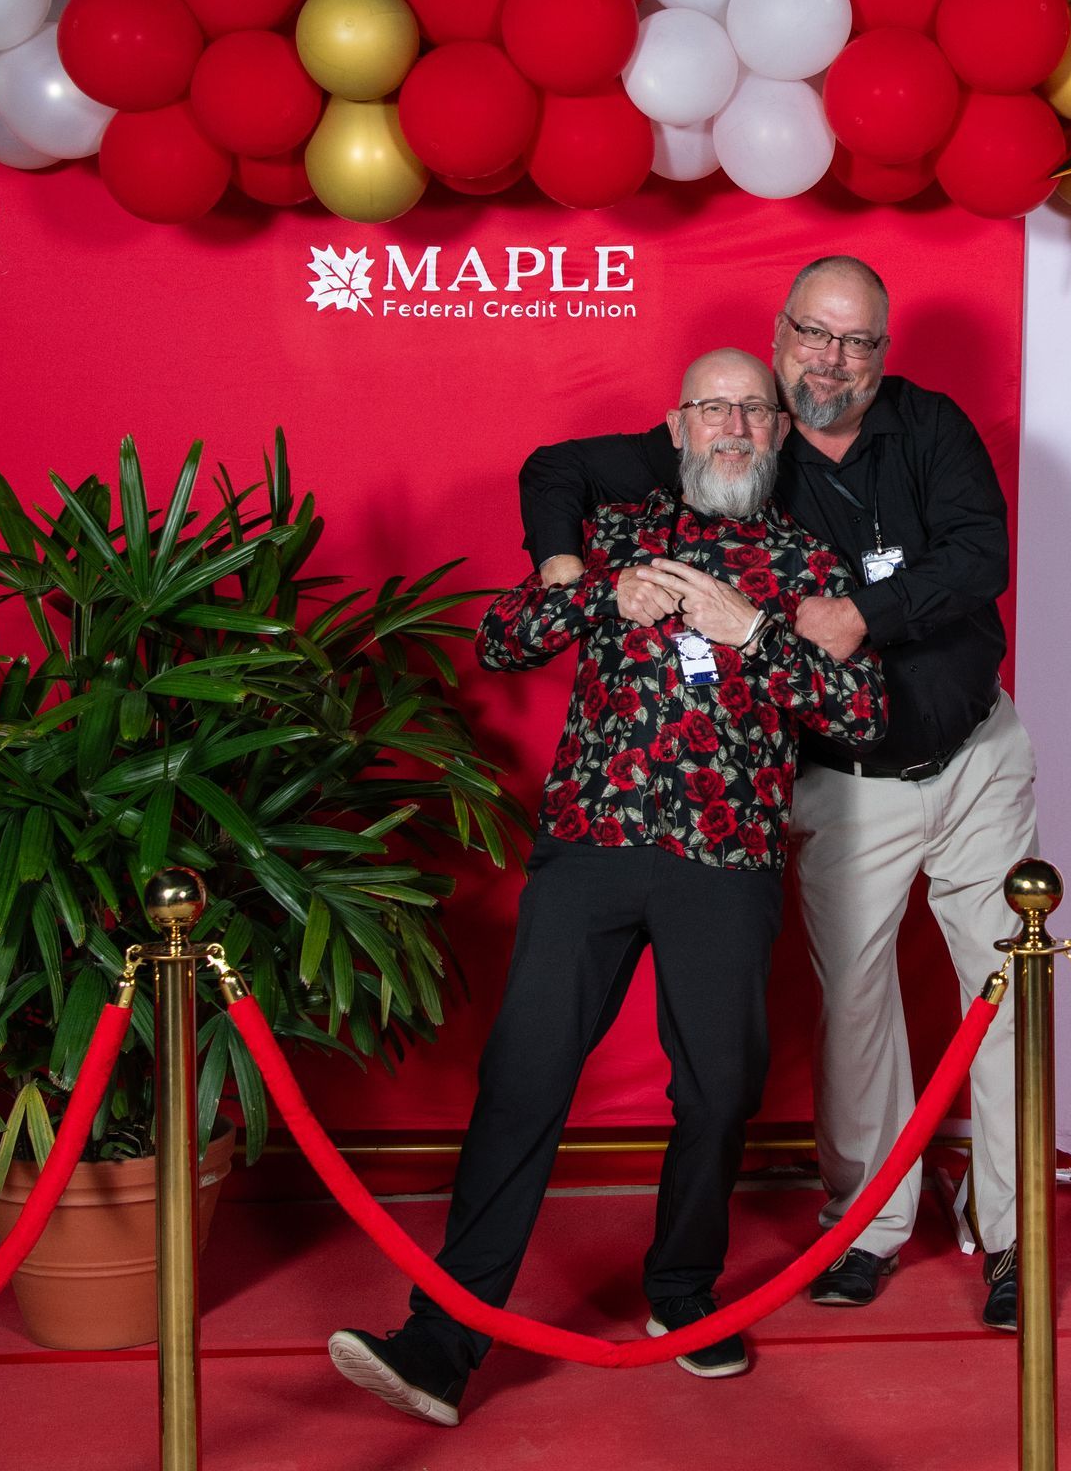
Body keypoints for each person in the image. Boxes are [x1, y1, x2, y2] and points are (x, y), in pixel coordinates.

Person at [329, 348, 887, 1427]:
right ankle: (442, 1342)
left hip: (726, 864)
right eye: (713, 408)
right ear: (677, 428)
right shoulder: (618, 533)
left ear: (779, 433)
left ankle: (683, 1291)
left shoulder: (809, 563)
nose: (733, 426)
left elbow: (861, 714)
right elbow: (499, 640)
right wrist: (594, 596)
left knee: (719, 1093)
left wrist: (753, 632)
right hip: (591, 846)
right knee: (523, 1078)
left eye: (753, 410)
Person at [518, 256, 1038, 1330]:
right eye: (814, 335)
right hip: (847, 786)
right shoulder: (741, 435)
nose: (832, 362)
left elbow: (982, 556)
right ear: (780, 333)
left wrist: (863, 615)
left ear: (882, 353)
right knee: (855, 1010)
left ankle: (1013, 1234)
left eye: (857, 342)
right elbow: (555, 468)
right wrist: (565, 574)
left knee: (1007, 994)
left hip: (978, 755)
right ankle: (868, 1228)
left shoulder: (930, 427)